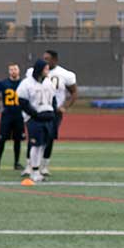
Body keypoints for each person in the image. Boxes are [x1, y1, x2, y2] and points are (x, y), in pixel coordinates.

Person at [16, 59, 57, 184]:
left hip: (47, 118)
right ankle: (34, 172)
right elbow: (22, 102)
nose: (47, 71)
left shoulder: (48, 83)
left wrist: (52, 112)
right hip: (34, 119)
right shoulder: (26, 83)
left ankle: (37, 170)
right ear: (39, 69)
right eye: (45, 69)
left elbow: (53, 99)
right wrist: (35, 114)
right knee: (36, 144)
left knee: (44, 145)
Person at [40, 49, 77, 177]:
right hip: (39, 110)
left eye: (47, 59)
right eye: (43, 58)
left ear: (54, 60)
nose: (44, 61)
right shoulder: (36, 72)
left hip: (54, 112)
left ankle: (44, 165)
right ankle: (32, 165)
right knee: (38, 137)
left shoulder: (65, 74)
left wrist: (65, 107)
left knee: (49, 137)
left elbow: (74, 93)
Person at [0, 63, 24, 171]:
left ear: (19, 70)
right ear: (9, 71)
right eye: (11, 69)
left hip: (19, 116)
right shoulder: (3, 83)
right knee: (2, 139)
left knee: (17, 140)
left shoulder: (24, 83)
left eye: (15, 69)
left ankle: (16, 163)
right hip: (7, 116)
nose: (13, 71)